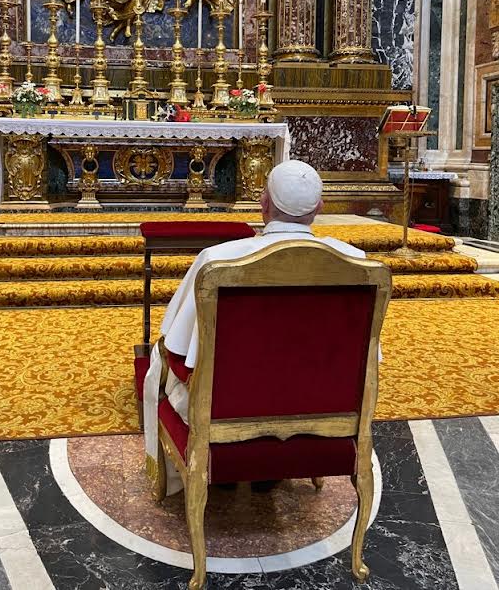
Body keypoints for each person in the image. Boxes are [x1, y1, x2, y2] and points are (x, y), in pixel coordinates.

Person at [143, 159, 366, 494]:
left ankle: (217, 468)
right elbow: (363, 358)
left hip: (223, 409)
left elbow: (177, 344)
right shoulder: (356, 262)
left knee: (165, 362)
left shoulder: (219, 260)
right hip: (319, 404)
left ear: (263, 204)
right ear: (320, 207)